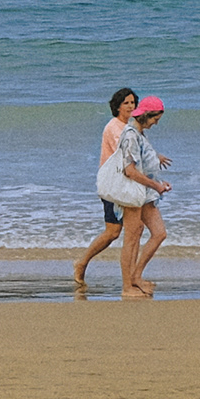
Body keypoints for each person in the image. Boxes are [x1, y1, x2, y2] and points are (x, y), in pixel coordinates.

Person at [72, 90, 141, 297]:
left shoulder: (130, 127)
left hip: (127, 184)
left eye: (133, 102)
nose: (130, 106)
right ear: (117, 106)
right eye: (126, 103)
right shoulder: (114, 127)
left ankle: (133, 279)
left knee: (131, 230)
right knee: (114, 231)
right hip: (113, 185)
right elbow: (128, 155)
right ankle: (83, 263)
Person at [114, 94, 172, 299]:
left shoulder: (139, 134)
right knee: (131, 237)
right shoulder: (130, 135)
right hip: (132, 192)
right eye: (155, 118)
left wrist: (158, 179)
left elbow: (142, 163)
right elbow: (130, 171)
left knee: (159, 233)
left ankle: (136, 276)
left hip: (145, 193)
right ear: (146, 115)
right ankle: (127, 287)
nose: (156, 123)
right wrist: (156, 185)